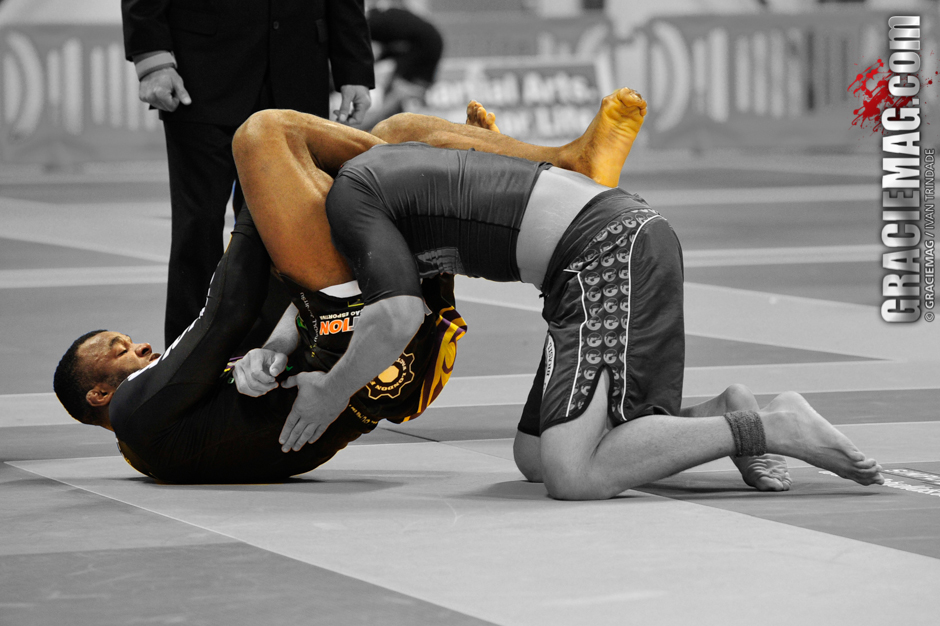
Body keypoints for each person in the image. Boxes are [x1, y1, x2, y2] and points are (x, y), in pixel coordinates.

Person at [241, 88, 886, 501]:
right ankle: (721, 411)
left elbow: (396, 316)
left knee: (574, 473)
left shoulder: (355, 195)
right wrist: (278, 344)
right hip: (599, 255)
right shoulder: (379, 177)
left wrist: (331, 391)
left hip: (607, 251)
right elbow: (343, 298)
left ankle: (770, 425)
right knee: (534, 455)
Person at [51, 90, 640, 484]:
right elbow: (224, 312)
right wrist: (259, 207)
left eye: (125, 339)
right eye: (116, 350)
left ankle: (526, 164)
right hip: (359, 349)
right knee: (261, 137)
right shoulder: (134, 414)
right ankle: (543, 165)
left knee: (401, 130)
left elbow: (251, 341)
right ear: (97, 395)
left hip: (377, 356)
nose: (137, 346)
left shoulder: (171, 430)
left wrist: (268, 354)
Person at [121, 0, 375, 348]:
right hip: (203, 72)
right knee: (198, 226)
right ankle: (186, 360)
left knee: (288, 229)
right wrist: (151, 59)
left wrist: (354, 69)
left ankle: (271, 355)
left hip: (298, 68)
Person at [360, 0, 444, 130]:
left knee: (398, 92)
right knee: (396, 90)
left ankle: (370, 128)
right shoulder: (375, 20)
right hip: (417, 42)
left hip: (423, 45)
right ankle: (381, 126)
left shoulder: (368, 24)